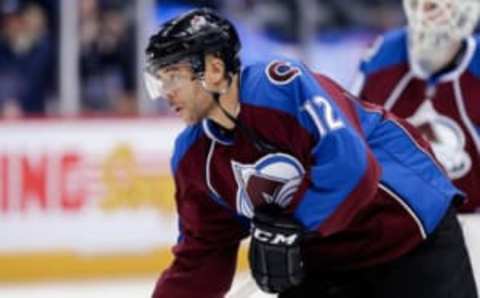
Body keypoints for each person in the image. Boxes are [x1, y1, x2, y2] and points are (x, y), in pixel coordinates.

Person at [145, 8, 477, 298]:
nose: (165, 93)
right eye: (159, 81)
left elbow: (354, 170)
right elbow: (201, 256)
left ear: (214, 71)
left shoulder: (280, 88)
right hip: (326, 259)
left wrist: (292, 226)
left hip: (406, 230)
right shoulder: (192, 158)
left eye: (173, 77)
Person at [351, 0, 480, 213]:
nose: (433, 14)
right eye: (428, 5)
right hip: (397, 221)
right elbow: (348, 137)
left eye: (444, 4)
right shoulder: (384, 54)